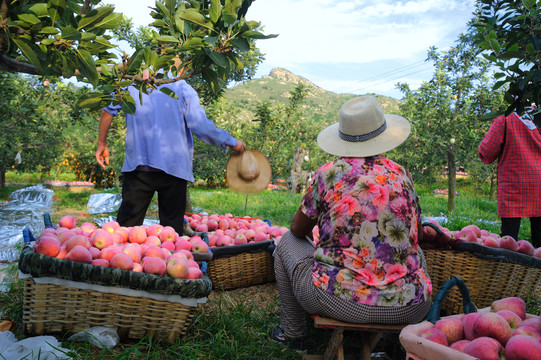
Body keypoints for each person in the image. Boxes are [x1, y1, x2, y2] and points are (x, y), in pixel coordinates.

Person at [270, 96, 432, 350]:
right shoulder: (402, 175)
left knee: (287, 242)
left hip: (339, 299)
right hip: (409, 307)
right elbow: (416, 236)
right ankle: (391, 344)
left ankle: (292, 333)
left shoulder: (328, 173)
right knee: (415, 250)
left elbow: (297, 230)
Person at [95, 60, 245, 235]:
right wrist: (231, 141)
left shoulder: (131, 85)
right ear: (181, 69)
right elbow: (200, 125)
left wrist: (102, 143)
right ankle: (169, 259)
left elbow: (108, 110)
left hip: (138, 167)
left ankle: (121, 260)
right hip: (174, 169)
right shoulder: (183, 88)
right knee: (171, 234)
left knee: (125, 231)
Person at [478, 110, 541, 247]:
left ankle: (509, 268)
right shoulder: (539, 118)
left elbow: (487, 152)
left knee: (508, 242)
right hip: (539, 187)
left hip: (513, 188)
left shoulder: (505, 120)